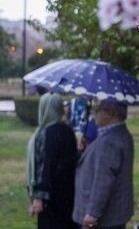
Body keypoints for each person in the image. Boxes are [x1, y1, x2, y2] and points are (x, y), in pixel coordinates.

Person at [73, 100, 134, 229]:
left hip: (105, 220)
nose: (95, 113)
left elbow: (103, 180)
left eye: (98, 110)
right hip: (114, 215)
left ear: (110, 113)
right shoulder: (120, 134)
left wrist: (92, 214)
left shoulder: (109, 141)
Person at [26, 92, 78, 229]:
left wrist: (39, 197)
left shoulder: (45, 134)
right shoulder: (68, 131)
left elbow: (44, 166)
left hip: (51, 197)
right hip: (69, 193)